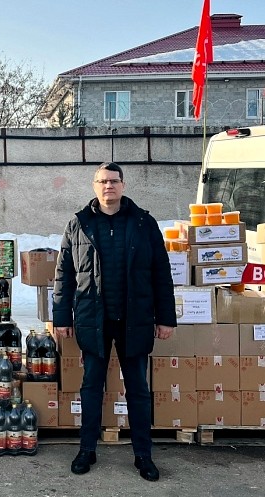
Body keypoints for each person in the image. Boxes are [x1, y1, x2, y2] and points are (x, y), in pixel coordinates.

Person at [52, 162, 176, 482]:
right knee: (91, 387)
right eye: (103, 181)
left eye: (114, 181)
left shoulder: (143, 222)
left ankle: (143, 455)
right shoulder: (78, 224)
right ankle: (86, 450)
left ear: (123, 185)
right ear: (95, 186)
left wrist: (166, 318)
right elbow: (64, 275)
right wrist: (62, 317)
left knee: (138, 389)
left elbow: (161, 273)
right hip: (94, 320)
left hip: (134, 320)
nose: (109, 186)